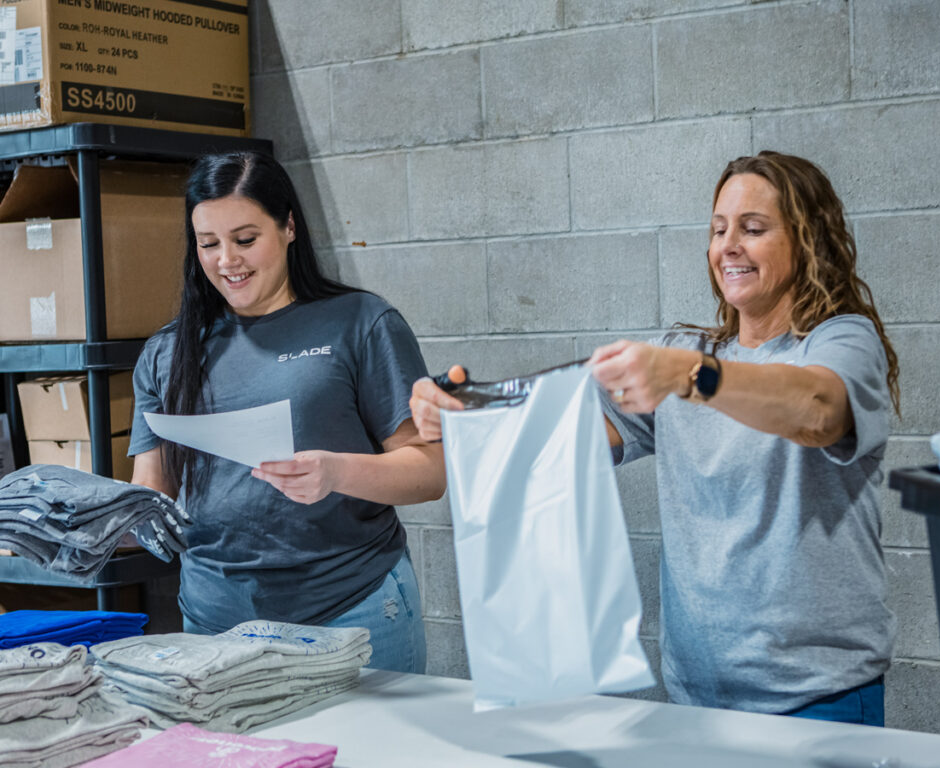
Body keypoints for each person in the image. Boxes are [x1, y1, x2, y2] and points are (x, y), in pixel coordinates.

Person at [409, 151, 899, 724]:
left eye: (753, 228)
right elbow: (558, 430)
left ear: (808, 240)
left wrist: (691, 377)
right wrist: (463, 412)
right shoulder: (689, 356)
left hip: (818, 699)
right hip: (697, 700)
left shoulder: (842, 342)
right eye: (719, 230)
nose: (729, 246)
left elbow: (817, 409)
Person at [129, 151, 445, 674]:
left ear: (289, 226)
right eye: (209, 244)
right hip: (213, 626)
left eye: (245, 239)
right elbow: (151, 492)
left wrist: (336, 472)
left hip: (351, 611)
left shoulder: (361, 323)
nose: (227, 259)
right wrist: (100, 520)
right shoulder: (168, 351)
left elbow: (430, 473)